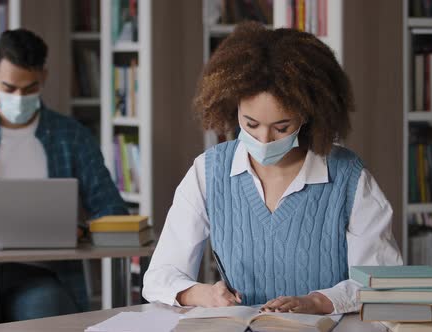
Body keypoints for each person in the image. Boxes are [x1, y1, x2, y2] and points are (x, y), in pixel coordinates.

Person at [142, 22, 403, 314]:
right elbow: (159, 277)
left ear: (309, 115)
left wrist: (317, 302)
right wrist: (201, 294)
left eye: (282, 127)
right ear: (232, 106)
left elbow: (383, 280)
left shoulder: (348, 178)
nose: (263, 140)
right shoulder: (208, 173)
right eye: (250, 124)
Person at [0, 29, 127, 332]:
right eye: (9, 87)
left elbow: (111, 210)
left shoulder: (72, 137)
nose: (19, 98)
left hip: (42, 274)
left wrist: (79, 230)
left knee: (49, 320)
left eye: (29, 89)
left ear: (43, 77)